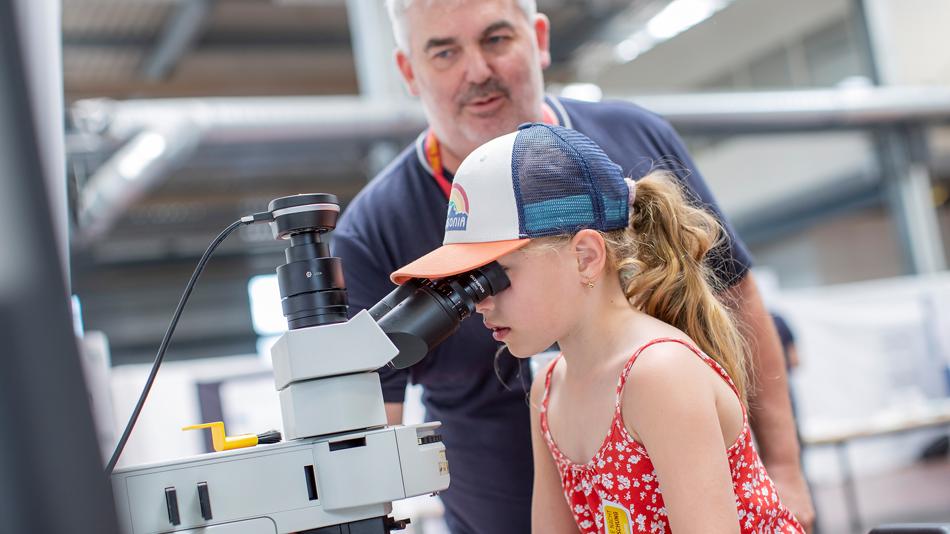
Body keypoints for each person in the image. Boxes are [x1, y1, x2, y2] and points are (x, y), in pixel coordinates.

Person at [331, 1, 814, 532]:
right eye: (445, 51)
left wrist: (786, 470)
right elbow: (365, 426)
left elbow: (737, 299)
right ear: (409, 71)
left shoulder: (660, 375)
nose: (477, 70)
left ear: (538, 37)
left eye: (495, 39)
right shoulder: (547, 387)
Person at [391, 123, 806, 533]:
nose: (480, 300)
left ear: (586, 257)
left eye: (497, 274)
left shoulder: (660, 374)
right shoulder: (548, 388)